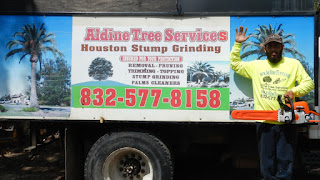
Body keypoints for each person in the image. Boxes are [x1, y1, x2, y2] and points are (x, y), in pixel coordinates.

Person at [230, 26, 314, 180]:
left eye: (276, 46)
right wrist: (237, 44)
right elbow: (235, 65)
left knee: (285, 162)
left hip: (286, 122)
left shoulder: (293, 64)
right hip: (264, 122)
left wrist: (293, 92)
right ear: (265, 49)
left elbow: (309, 83)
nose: (273, 49)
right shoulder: (257, 66)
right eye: (270, 46)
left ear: (282, 47)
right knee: (266, 164)